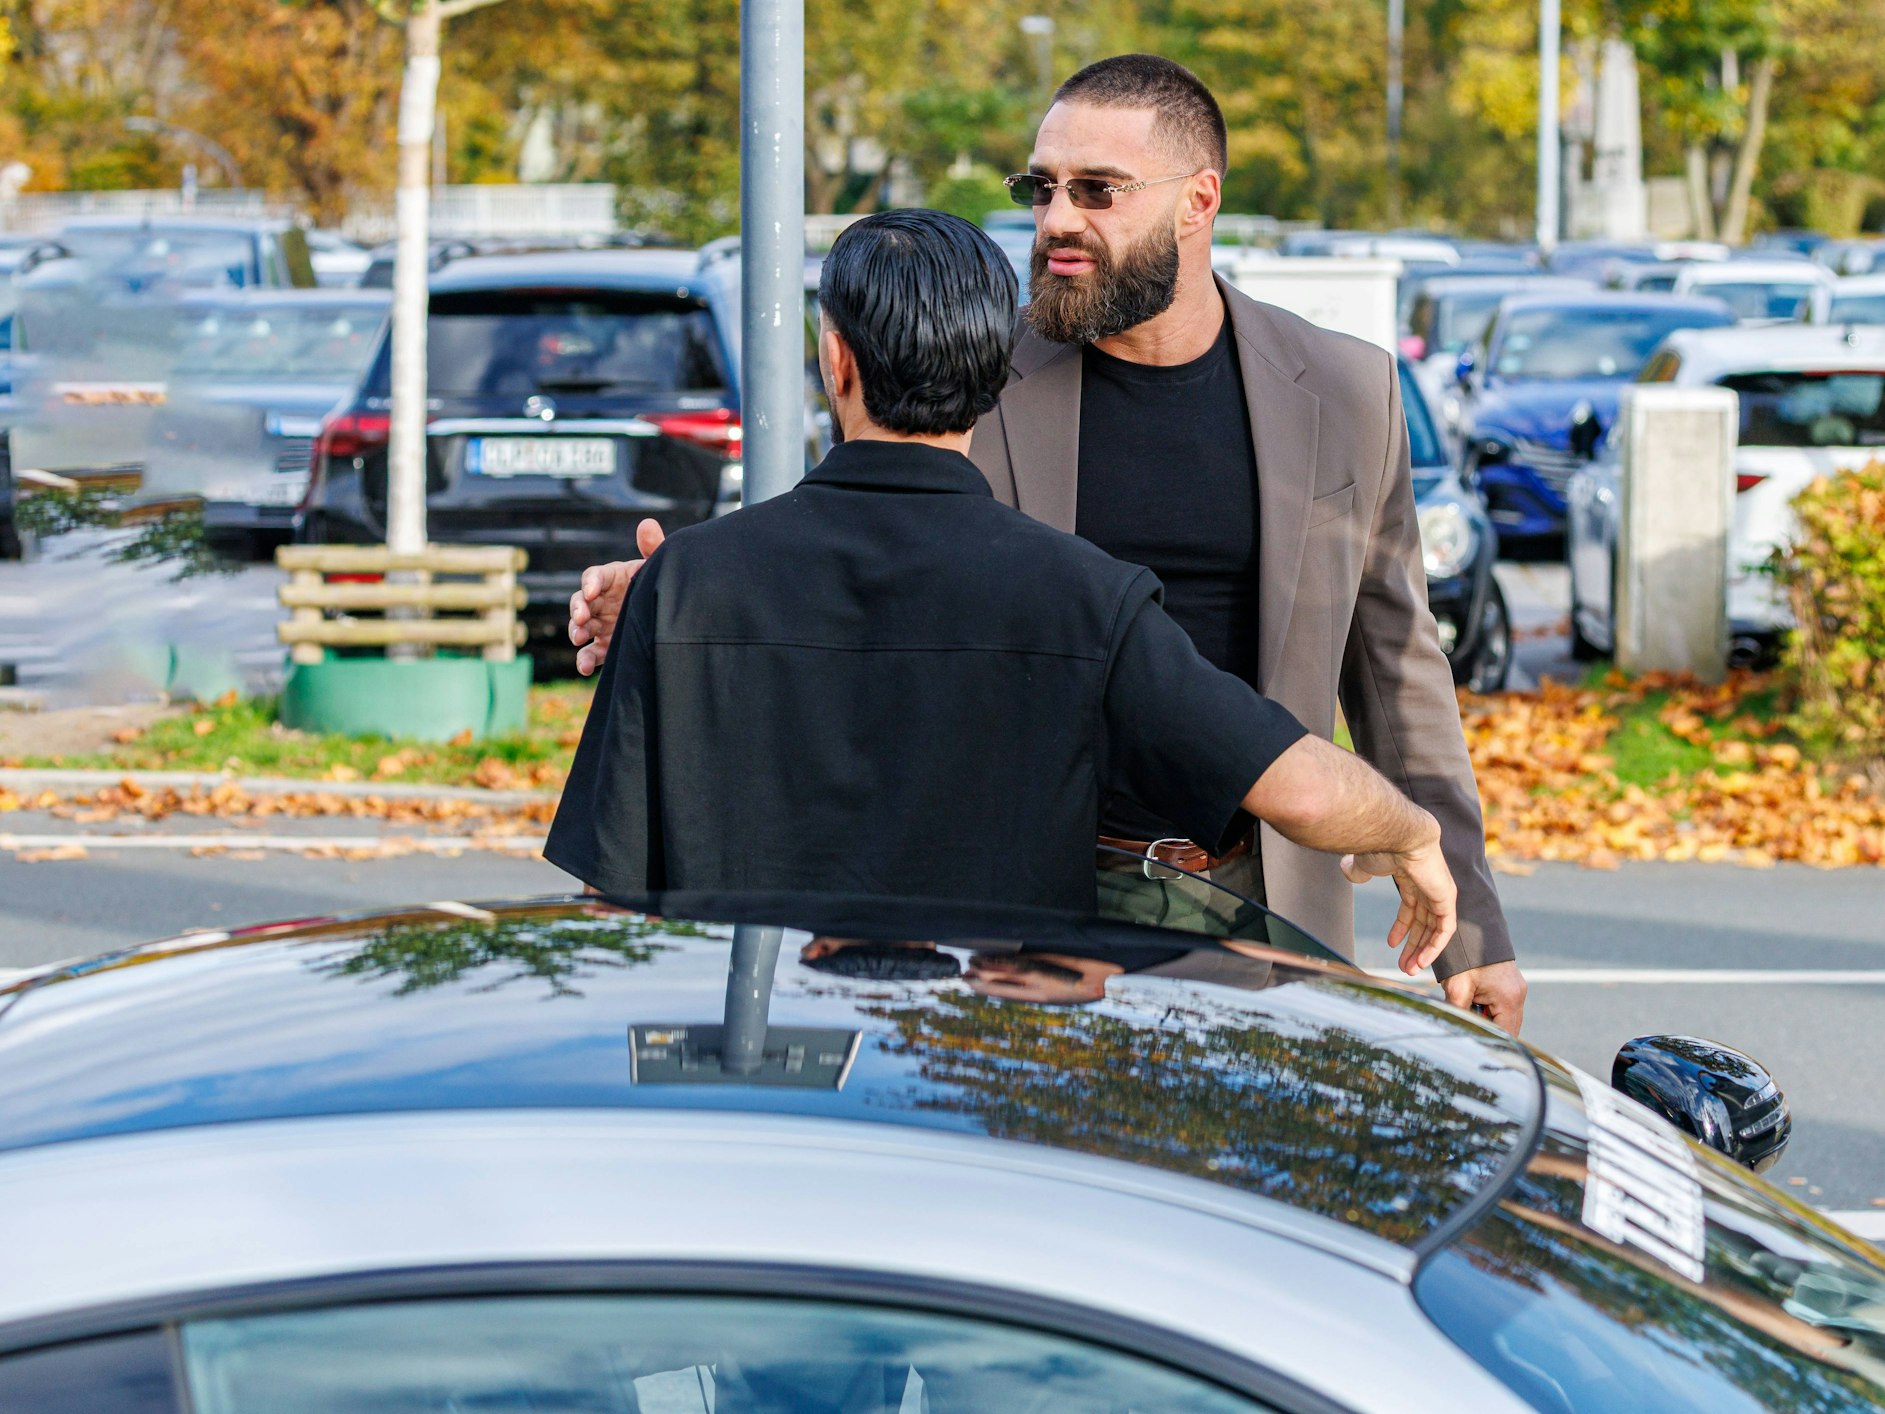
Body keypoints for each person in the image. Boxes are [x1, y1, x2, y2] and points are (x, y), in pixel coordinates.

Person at [567, 58, 1527, 1034]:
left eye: (1096, 190)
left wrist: (1474, 935)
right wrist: (680, 592)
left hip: (1263, 904)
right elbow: (849, 558)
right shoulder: (961, 367)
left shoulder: (1346, 390)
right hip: (1012, 914)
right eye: (1041, 188)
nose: (1055, 218)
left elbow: (1397, 672)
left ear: (1198, 201)